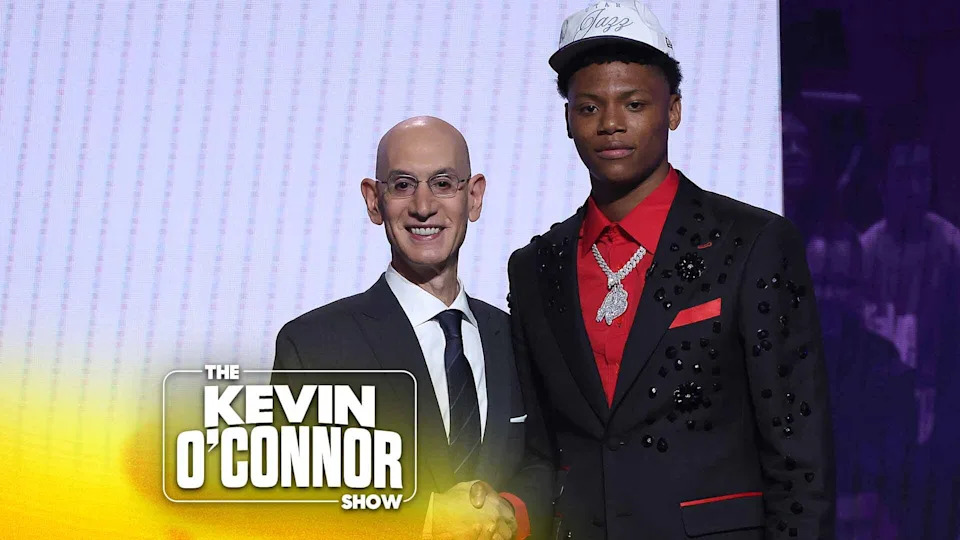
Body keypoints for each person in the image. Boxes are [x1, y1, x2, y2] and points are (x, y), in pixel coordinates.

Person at [505, 3, 834, 538]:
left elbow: (799, 455)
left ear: (673, 111)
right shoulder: (536, 267)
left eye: (633, 104)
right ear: (568, 120)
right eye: (588, 108)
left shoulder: (752, 244)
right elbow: (545, 450)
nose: (611, 124)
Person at [272, 116, 552, 539]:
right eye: (403, 184)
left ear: (473, 197)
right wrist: (425, 520)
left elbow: (543, 460)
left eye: (443, 183)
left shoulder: (516, 340)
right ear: (373, 200)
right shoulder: (314, 347)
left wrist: (509, 513)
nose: (423, 206)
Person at [806, 226, 915, 539]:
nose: (829, 296)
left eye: (842, 284)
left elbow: (894, 490)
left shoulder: (886, 368)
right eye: (819, 283)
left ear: (862, 291)